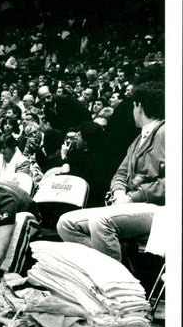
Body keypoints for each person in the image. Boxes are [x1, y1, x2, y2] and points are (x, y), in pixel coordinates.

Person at [56, 82, 164, 262]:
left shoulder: (166, 132)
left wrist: (132, 197)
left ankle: (114, 283)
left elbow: (174, 182)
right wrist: (119, 192)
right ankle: (116, 263)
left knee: (100, 221)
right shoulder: (139, 138)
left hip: (160, 209)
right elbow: (120, 173)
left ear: (138, 106)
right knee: (66, 223)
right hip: (131, 204)